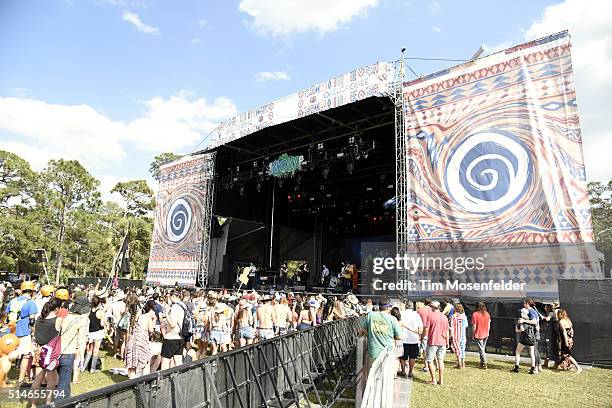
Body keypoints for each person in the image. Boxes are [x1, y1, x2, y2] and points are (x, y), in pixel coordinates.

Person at [31, 298, 64, 406]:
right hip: (50, 353)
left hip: (39, 351)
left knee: (37, 380)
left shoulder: (39, 319)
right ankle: (48, 403)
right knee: (51, 381)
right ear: (57, 308)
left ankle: (33, 405)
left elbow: (35, 334)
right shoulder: (58, 320)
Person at [57, 295, 89, 399]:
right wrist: (82, 358)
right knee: (63, 383)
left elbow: (57, 329)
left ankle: (67, 399)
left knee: (63, 381)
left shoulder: (65, 316)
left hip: (57, 352)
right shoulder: (82, 320)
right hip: (68, 353)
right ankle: (58, 404)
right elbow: (81, 341)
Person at [359, 298, 402, 376]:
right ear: (388, 308)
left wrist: (371, 335)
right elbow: (399, 336)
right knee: (385, 375)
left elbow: (363, 330)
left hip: (374, 351)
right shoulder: (393, 319)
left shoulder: (371, 315)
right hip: (387, 351)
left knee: (373, 374)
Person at [6, 280, 38, 384]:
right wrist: (34, 333)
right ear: (31, 292)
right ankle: (20, 380)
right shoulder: (30, 303)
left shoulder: (13, 301)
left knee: (8, 355)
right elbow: (32, 321)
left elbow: (7, 317)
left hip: (11, 331)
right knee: (25, 355)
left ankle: (4, 377)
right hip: (24, 332)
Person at [421, 300, 449, 386]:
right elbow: (447, 330)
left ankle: (433, 380)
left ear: (432, 307)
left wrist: (422, 337)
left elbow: (426, 329)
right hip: (442, 341)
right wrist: (447, 341)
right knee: (440, 361)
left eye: (430, 306)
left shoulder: (431, 316)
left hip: (433, 341)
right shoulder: (444, 317)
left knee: (429, 360)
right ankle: (441, 380)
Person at [124, 299, 154, 378]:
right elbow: (151, 331)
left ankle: (131, 382)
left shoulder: (132, 320)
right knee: (145, 364)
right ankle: (145, 382)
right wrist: (154, 320)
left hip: (131, 343)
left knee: (132, 365)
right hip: (142, 342)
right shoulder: (147, 318)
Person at [160, 290, 185, 369]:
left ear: (173, 296)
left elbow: (173, 324)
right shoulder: (183, 305)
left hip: (171, 337)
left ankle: (163, 380)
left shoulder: (175, 307)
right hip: (179, 337)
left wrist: (167, 314)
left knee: (165, 362)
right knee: (178, 362)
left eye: (169, 297)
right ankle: (180, 380)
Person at [512, 300, 538, 374]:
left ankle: (516, 367)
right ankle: (533, 368)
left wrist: (522, 322)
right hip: (532, 336)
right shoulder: (532, 314)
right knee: (532, 352)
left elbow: (534, 322)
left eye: (524, 303)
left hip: (525, 337)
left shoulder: (528, 315)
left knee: (517, 351)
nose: (523, 304)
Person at [399, 301, 422, 378]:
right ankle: (410, 371)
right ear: (412, 306)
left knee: (403, 356)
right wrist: (420, 336)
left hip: (403, 338)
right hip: (414, 339)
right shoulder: (417, 315)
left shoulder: (401, 313)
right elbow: (420, 327)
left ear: (405, 306)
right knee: (412, 357)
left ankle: (403, 370)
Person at [83, 295, 105, 373]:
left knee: (89, 350)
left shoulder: (89, 311)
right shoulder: (101, 312)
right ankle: (92, 368)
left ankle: (83, 367)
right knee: (95, 350)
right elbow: (102, 324)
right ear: (99, 303)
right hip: (98, 332)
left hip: (90, 332)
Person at [471, 301, 491, 369]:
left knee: (481, 349)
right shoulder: (487, 314)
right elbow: (489, 324)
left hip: (479, 334)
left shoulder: (475, 314)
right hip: (486, 333)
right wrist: (488, 332)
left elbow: (474, 326)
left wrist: (473, 334)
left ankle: (484, 363)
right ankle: (482, 363)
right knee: (482, 349)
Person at [540, 303, 560, 368]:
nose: (545, 308)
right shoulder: (554, 312)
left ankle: (556, 363)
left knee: (553, 346)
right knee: (550, 346)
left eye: (546, 307)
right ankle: (547, 362)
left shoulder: (551, 313)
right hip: (552, 331)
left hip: (553, 331)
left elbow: (547, 319)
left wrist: (543, 317)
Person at [450, 303, 468, 369]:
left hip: (456, 334)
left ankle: (460, 363)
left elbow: (452, 326)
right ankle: (463, 363)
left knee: (457, 348)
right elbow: (466, 326)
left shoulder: (454, 316)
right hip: (462, 334)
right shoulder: (464, 316)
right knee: (462, 348)